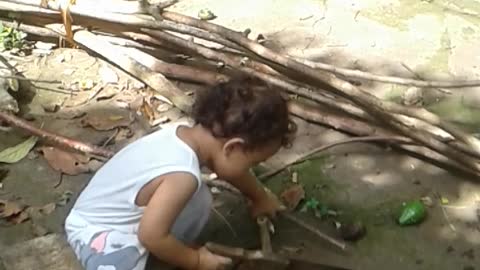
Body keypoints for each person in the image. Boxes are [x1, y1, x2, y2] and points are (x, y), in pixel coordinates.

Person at [64, 76, 295, 270]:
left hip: (127, 217)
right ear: (232, 147)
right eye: (251, 164)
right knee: (124, 262)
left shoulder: (184, 135)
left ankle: (165, 251)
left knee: (199, 198)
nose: (248, 170)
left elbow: (230, 169)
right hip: (98, 232)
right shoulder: (181, 177)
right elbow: (150, 236)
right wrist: (197, 261)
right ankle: (165, 252)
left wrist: (260, 197)